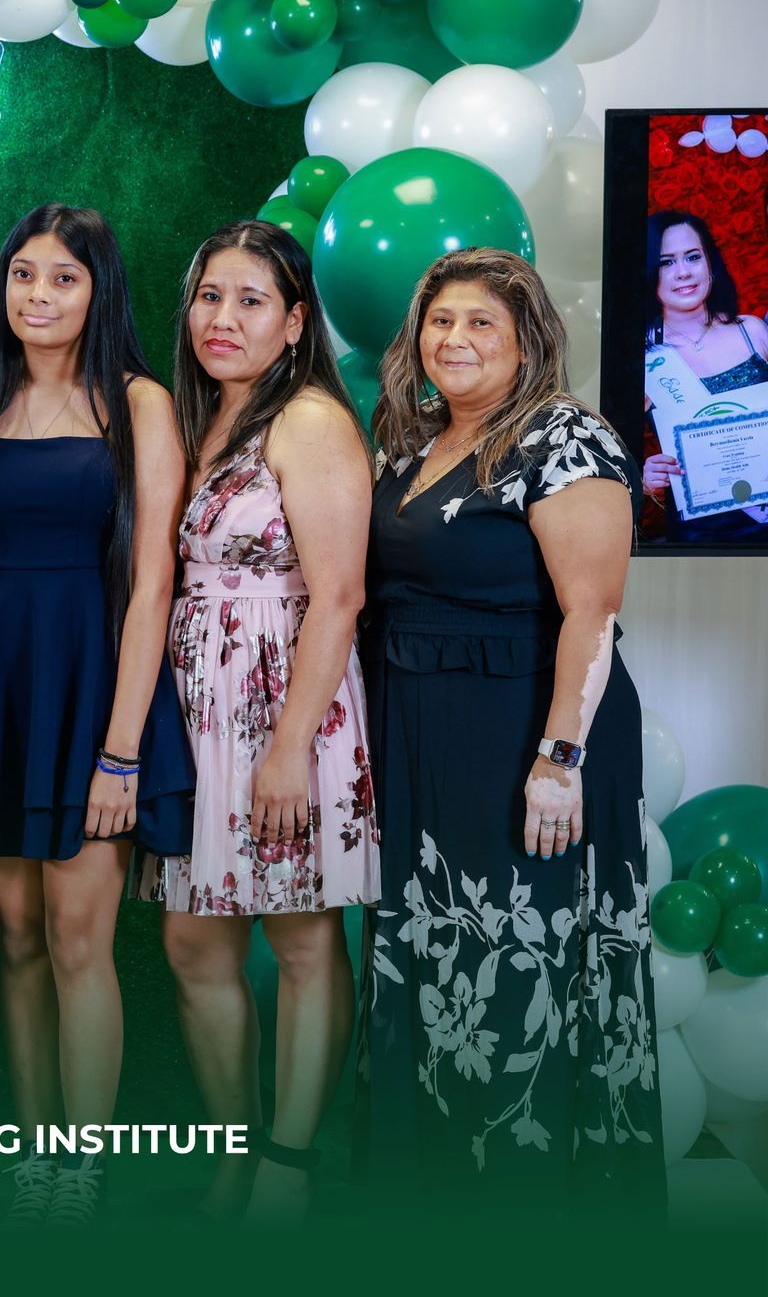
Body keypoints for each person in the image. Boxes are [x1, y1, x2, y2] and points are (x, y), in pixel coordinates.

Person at [359, 248, 663, 1202]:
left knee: (519, 970)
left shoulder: (564, 435)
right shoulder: (415, 443)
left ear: (529, 338)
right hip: (426, 739)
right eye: (440, 321)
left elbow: (593, 611)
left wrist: (558, 760)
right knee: (438, 962)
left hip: (526, 739)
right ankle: (434, 1192)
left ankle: (526, 1206)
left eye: (481, 322)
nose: (454, 340)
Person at [0, 204, 193, 1227]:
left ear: (99, 292)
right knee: (18, 939)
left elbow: (153, 582)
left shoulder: (141, 404)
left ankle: (83, 1167)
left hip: (97, 691)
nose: (38, 295)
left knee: (83, 938)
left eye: (63, 279)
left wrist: (120, 750)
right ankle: (38, 1152)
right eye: (24, 275)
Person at [149, 220, 378, 1223]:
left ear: (294, 324)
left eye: (251, 301)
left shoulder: (311, 421)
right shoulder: (190, 418)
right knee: (194, 944)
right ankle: (233, 1149)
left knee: (300, 937)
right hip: (195, 711)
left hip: (287, 705)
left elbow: (338, 596)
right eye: (210, 296)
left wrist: (290, 750)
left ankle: (290, 1162)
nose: (223, 318)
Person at [638, 210, 768, 545]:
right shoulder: (644, 358)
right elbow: (607, 457)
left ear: (710, 262)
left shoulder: (753, 331)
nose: (683, 272)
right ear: (650, 271)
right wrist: (643, 476)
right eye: (666, 262)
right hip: (700, 537)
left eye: (693, 257)